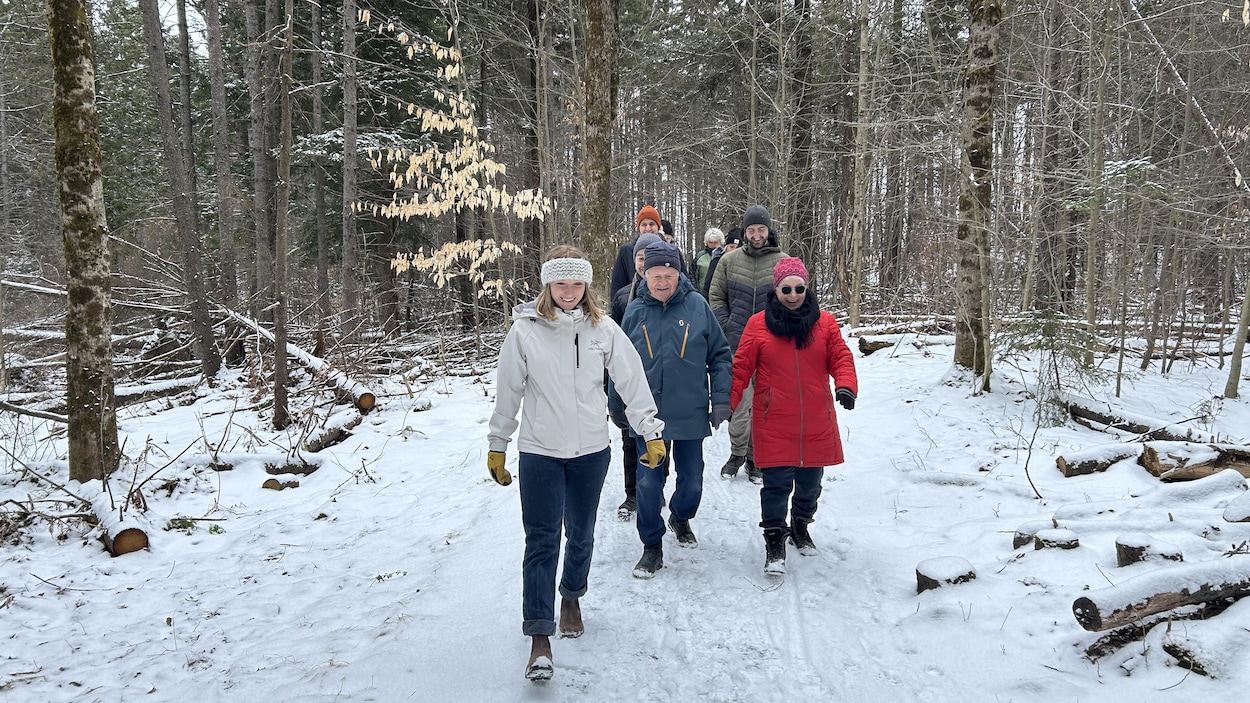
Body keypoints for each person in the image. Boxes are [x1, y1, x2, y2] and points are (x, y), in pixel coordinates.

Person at [488, 245, 668, 681]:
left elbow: (631, 378)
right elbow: (509, 390)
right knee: (542, 540)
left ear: (586, 286)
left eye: (576, 283)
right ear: (548, 285)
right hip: (539, 451)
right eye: (560, 283)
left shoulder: (603, 329)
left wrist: (651, 430)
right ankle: (539, 637)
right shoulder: (525, 332)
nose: (568, 291)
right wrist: (498, 442)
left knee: (582, 535)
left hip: (590, 451)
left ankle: (571, 596)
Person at [611, 241, 733, 578]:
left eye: (669, 274)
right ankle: (652, 546)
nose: (662, 281)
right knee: (649, 485)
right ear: (644, 275)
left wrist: (721, 397)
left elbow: (721, 355)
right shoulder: (634, 311)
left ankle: (680, 516)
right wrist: (615, 402)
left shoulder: (698, 306)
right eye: (655, 275)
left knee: (691, 484)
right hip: (646, 415)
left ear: (679, 275)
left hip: (690, 410)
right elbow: (617, 362)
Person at [730, 257, 858, 574]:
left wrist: (846, 385)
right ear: (776, 289)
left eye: (798, 288)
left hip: (816, 418)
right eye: (786, 288)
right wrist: (726, 402)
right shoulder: (758, 324)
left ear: (806, 287)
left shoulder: (825, 323)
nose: (792, 294)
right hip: (773, 419)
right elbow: (741, 367)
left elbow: (841, 357)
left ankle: (800, 526)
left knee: (810, 485)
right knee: (775, 485)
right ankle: (775, 539)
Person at [707, 205, 787, 483]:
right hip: (735, 345)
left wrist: (779, 328)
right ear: (744, 232)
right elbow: (715, 296)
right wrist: (727, 324)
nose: (756, 234)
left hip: (771, 348)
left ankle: (756, 458)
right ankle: (737, 453)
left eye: (761, 229)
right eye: (751, 230)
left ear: (768, 231)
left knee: (764, 406)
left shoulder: (782, 261)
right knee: (739, 406)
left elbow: (792, 300)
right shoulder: (729, 261)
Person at [609, 232, 672, 519]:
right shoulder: (622, 297)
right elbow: (612, 341)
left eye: (649, 256)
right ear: (633, 260)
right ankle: (632, 493)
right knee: (629, 439)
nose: (643, 261)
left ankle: (656, 488)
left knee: (660, 436)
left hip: (660, 379)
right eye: (639, 256)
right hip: (627, 379)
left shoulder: (666, 289)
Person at [700, 227, 741, 298]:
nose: (734, 250)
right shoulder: (716, 260)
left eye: (738, 248)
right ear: (726, 247)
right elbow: (707, 287)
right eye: (731, 247)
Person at [692, 228, 724, 293]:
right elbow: (692, 275)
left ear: (720, 242)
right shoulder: (700, 256)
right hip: (702, 294)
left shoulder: (724, 256)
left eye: (715, 242)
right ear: (706, 242)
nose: (713, 245)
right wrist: (695, 291)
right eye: (710, 242)